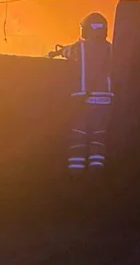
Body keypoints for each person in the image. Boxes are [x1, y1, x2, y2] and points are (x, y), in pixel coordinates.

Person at [48, 12, 114, 174]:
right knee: (98, 137)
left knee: (78, 135)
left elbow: (68, 52)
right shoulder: (111, 48)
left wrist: (55, 53)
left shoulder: (80, 48)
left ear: (85, 30)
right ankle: (96, 171)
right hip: (105, 100)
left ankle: (75, 173)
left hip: (84, 99)